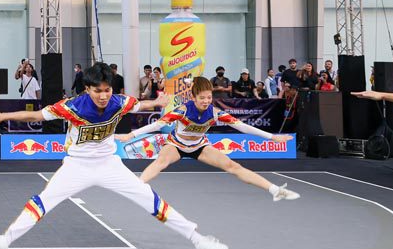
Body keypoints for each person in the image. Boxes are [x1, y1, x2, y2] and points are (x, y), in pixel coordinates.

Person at [0, 62, 227, 249]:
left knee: (150, 199)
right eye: (97, 91)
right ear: (87, 89)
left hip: (109, 164)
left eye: (107, 90)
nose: (103, 95)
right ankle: (5, 240)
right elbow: (35, 115)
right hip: (77, 166)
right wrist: (2, 116)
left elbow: (139, 104)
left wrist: (156, 102)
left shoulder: (119, 102)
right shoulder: (72, 107)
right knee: (43, 201)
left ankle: (198, 240)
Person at [120, 77, 298, 202]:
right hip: (176, 145)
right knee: (160, 162)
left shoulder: (215, 113)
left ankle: (275, 190)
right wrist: (131, 135)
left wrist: (272, 137)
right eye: (202, 98)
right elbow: (158, 124)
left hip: (199, 145)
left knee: (233, 166)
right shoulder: (182, 111)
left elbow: (242, 127)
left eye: (209, 97)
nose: (206, 101)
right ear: (193, 97)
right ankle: (136, 188)